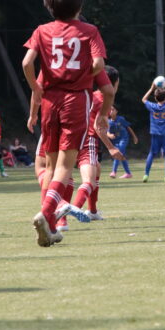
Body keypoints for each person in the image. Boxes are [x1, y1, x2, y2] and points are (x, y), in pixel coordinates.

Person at [22, 0, 109, 247]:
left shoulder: (41, 30)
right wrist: (81, 75)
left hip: (50, 100)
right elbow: (98, 64)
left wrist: (35, 87)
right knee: (65, 166)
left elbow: (27, 62)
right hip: (75, 99)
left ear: (50, 7)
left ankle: (49, 226)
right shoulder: (89, 31)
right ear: (79, 6)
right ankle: (47, 214)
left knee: (49, 166)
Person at [61, 65, 125, 231]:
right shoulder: (104, 99)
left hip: (74, 138)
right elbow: (97, 127)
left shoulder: (92, 95)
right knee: (88, 180)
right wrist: (111, 148)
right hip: (88, 140)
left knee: (96, 170)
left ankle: (93, 211)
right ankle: (73, 208)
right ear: (114, 83)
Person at [141, 80, 165, 183]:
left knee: (152, 153)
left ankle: (146, 175)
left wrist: (151, 88)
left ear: (155, 97)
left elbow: (144, 99)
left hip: (155, 133)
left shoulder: (152, 106)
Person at [108, 105, 138, 178]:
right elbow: (107, 132)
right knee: (122, 156)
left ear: (116, 111)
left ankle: (114, 172)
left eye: (113, 109)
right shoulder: (108, 122)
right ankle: (128, 173)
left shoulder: (121, 119)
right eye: (109, 110)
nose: (111, 111)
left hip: (124, 139)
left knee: (118, 153)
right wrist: (109, 135)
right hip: (115, 142)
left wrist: (134, 136)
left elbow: (128, 127)